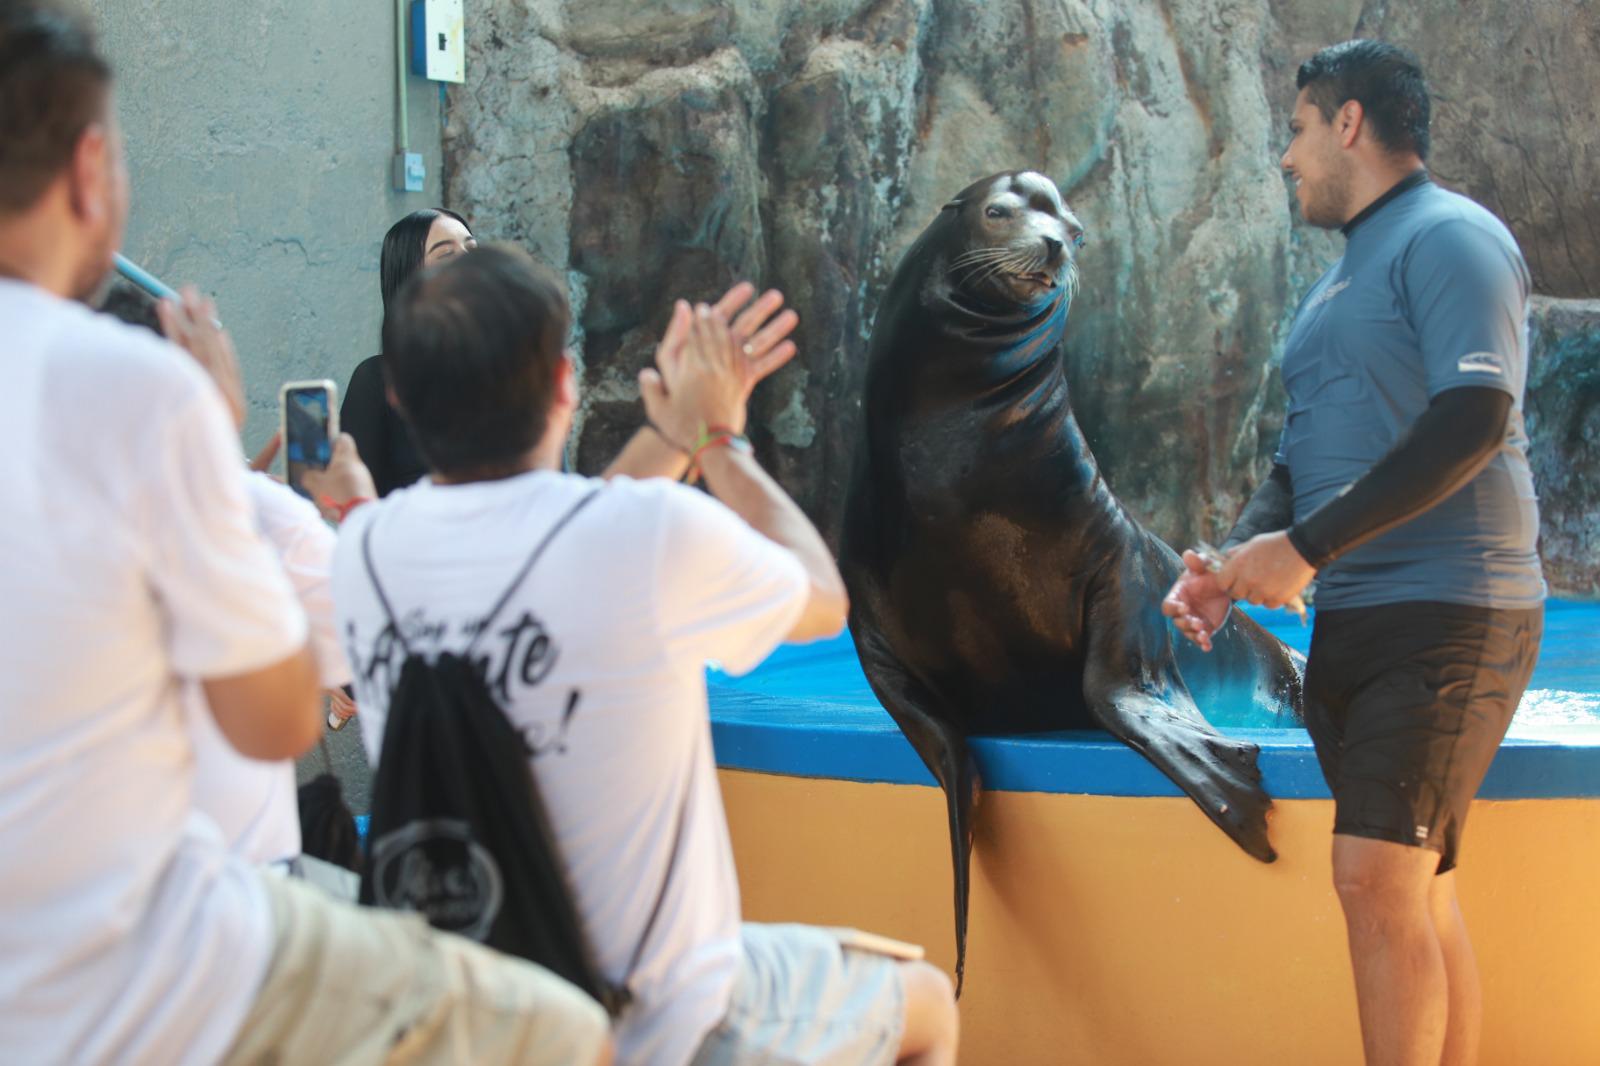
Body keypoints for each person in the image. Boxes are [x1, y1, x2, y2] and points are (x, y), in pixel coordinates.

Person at [0, 4, 610, 1063]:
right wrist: (210, 441)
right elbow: (279, 720)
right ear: (90, 169)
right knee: (558, 1027)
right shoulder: (146, 397)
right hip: (142, 968)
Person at [333, 244, 960, 1066]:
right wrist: (717, 440)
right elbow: (820, 599)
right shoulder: (642, 540)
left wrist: (672, 434)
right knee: (925, 1005)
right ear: (564, 386)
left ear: (398, 397)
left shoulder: (363, 548)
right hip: (660, 1022)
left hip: (471, 1013)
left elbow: (575, 538)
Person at [1162, 40, 1544, 1066]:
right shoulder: (1331, 291)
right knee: (1413, 885)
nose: (1285, 158)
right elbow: (1302, 461)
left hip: (1451, 609)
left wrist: (1309, 547)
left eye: (1294, 131)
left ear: (1347, 123)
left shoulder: (1452, 238)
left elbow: (1472, 416)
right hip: (1361, 623)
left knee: (1373, 880)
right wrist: (1236, 563)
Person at [342, 207, 476, 496]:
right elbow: (355, 502)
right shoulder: (375, 380)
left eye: (472, 248)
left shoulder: (517, 369)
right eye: (446, 255)